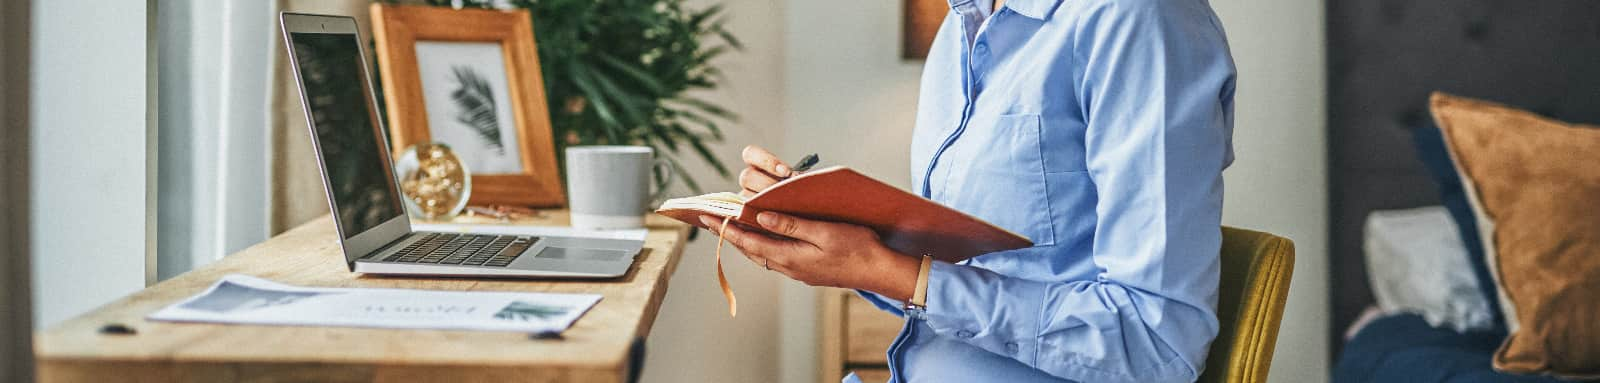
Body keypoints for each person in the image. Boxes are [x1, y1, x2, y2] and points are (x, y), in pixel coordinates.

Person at [702, 0, 1235, 381]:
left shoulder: (1136, 19)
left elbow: (1160, 346)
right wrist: (839, 232)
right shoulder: (961, 28)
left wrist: (893, 274)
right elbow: (971, 281)